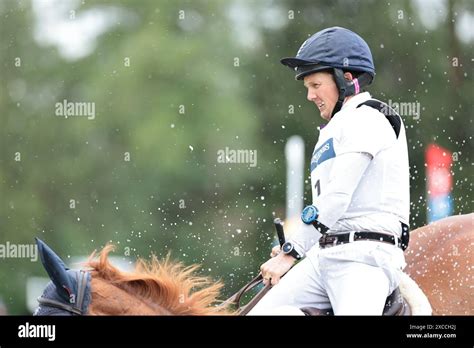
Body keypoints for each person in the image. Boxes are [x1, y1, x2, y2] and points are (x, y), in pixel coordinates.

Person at [248, 27, 410, 315]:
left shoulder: (370, 117)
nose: (310, 96)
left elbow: (336, 197)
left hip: (364, 257)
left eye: (315, 85)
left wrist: (291, 251)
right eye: (307, 88)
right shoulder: (332, 130)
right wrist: (300, 247)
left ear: (346, 79)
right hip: (322, 256)